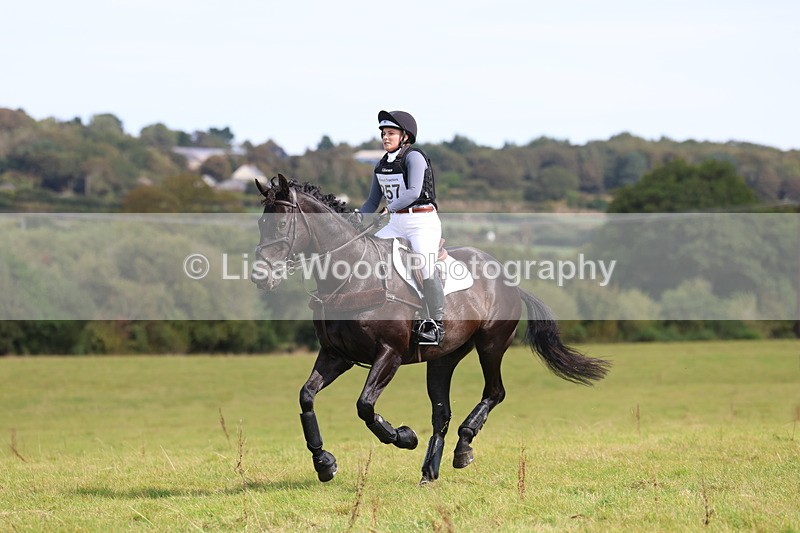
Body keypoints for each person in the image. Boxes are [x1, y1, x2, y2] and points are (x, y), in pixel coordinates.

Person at [360, 110, 444, 345]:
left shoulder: (414, 157)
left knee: (425, 265)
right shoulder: (381, 165)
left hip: (421, 222)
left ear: (404, 136)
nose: (385, 137)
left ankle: (436, 325)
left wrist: (389, 209)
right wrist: (356, 217)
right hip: (396, 224)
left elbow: (413, 192)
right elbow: (371, 202)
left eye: (391, 133)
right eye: (384, 133)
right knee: (367, 253)